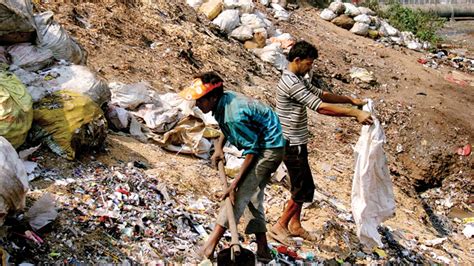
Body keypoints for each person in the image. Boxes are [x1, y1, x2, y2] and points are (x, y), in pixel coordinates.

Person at [269, 40, 373, 244]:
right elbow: (320, 106)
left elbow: (321, 94)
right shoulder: (290, 83)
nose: (310, 68)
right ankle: (280, 226)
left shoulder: (297, 79)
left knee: (302, 185)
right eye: (308, 64)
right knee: (303, 188)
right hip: (290, 143)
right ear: (297, 60)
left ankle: (295, 225)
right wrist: (353, 113)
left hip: (297, 141)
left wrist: (350, 101)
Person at [179, 72, 286, 262]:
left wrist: (234, 184)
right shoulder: (224, 101)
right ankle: (263, 249)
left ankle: (209, 246)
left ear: (212, 97)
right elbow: (225, 126)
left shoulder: (233, 115)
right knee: (252, 197)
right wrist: (219, 147)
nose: (197, 105)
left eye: (200, 100)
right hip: (262, 140)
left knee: (238, 195)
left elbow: (253, 150)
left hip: (269, 148)